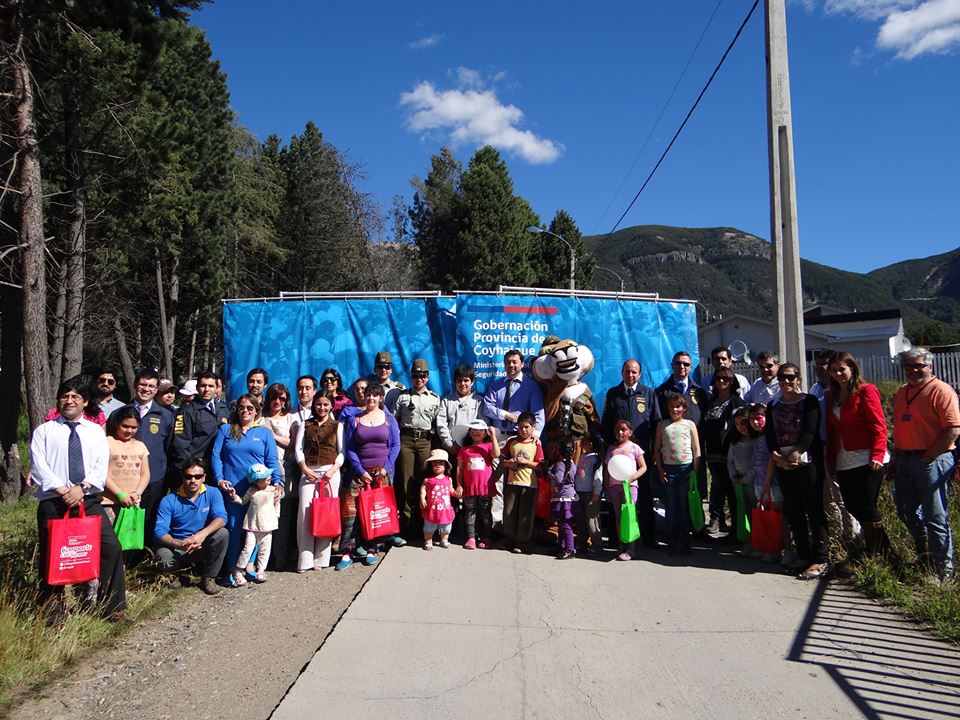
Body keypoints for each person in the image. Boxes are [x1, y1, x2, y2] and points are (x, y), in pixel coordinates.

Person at [31, 378, 125, 624]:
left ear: (85, 402)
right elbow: (39, 466)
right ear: (58, 401)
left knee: (111, 548)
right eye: (65, 396)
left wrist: (81, 489)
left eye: (75, 397)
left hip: (87, 500)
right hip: (54, 501)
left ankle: (111, 607)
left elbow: (100, 466)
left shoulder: (94, 432)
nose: (69, 401)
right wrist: (63, 490)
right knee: (52, 557)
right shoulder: (44, 431)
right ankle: (53, 615)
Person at [891, 348, 959, 581]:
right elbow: (900, 427)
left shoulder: (942, 391)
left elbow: (952, 429)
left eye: (918, 365)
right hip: (905, 459)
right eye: (908, 366)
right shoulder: (902, 392)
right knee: (905, 511)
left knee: (935, 516)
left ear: (930, 366)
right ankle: (925, 555)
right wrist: (897, 458)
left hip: (933, 460)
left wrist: (929, 457)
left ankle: (943, 571)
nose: (913, 370)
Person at [763, 362, 828, 580]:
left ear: (798, 379)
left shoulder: (809, 401)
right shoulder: (773, 405)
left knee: (813, 508)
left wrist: (797, 452)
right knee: (793, 509)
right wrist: (777, 457)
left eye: (791, 377)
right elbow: (770, 435)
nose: (786, 381)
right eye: (782, 377)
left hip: (807, 463)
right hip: (783, 464)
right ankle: (802, 554)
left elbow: (810, 429)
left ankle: (820, 558)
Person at [825, 351, 891, 558]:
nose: (838, 374)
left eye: (842, 369)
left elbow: (878, 425)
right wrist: (831, 460)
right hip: (844, 459)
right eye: (834, 370)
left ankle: (876, 554)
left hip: (867, 457)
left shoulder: (866, 391)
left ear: (852, 369)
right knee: (852, 505)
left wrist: (878, 454)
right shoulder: (831, 395)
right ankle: (884, 549)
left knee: (867, 506)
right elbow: (832, 430)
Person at [210, 394, 282, 583]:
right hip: (232, 489)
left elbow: (272, 460)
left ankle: (249, 566)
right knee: (233, 529)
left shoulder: (264, 433)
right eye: (242, 407)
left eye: (250, 408)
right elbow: (216, 456)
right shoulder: (226, 430)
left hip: (258, 491)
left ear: (257, 411)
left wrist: (277, 483)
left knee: (256, 529)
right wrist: (219, 479)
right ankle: (231, 568)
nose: (245, 411)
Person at [337, 383, 403, 570]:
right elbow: (350, 449)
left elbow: (395, 446)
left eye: (375, 395)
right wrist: (360, 471)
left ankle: (372, 549)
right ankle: (347, 552)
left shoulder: (389, 419)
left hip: (381, 475)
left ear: (381, 398)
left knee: (377, 513)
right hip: (359, 474)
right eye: (368, 395)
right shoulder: (355, 419)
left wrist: (386, 468)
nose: (371, 398)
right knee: (350, 513)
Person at [601, 358, 660, 549]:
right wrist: (610, 450)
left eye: (634, 372)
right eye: (627, 371)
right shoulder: (613, 394)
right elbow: (607, 424)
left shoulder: (648, 393)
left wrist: (655, 451)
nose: (631, 375)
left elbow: (656, 423)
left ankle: (648, 537)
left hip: (640, 455)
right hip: (618, 457)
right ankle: (616, 537)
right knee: (617, 497)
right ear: (622, 373)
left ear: (640, 374)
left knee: (644, 496)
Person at [153, 459, 228, 595]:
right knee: (162, 555)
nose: (193, 480)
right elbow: (159, 531)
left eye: (197, 476)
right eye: (188, 476)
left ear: (204, 477)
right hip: (177, 546)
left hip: (201, 545)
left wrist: (201, 535)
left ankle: (209, 577)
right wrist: (176, 543)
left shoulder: (213, 493)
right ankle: (174, 575)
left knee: (222, 534)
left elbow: (221, 518)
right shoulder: (169, 500)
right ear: (183, 477)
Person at [296, 392, 344, 571]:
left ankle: (322, 559)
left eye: (325, 404)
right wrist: (304, 468)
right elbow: (298, 449)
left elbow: (342, 451)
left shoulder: (337, 425)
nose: (322, 408)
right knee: (305, 514)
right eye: (318, 404)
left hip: (330, 473)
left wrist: (332, 470)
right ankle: (305, 560)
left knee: (326, 513)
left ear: (331, 406)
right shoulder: (305, 424)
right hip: (308, 473)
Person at [394, 358, 441, 537]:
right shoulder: (403, 397)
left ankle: (425, 522)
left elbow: (438, 424)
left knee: (424, 481)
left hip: (425, 441)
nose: (418, 379)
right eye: (415, 376)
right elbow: (393, 420)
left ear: (427, 377)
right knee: (405, 482)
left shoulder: (435, 398)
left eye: (422, 376)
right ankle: (407, 523)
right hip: (406, 440)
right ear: (411, 377)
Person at [653, 393, 701, 556]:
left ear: (684, 408)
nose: (675, 410)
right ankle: (672, 543)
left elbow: (697, 449)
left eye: (678, 407)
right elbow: (657, 448)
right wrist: (660, 469)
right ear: (668, 409)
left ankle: (686, 543)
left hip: (685, 470)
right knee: (671, 508)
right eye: (672, 407)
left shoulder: (689, 424)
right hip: (669, 471)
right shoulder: (662, 425)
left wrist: (695, 471)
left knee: (684, 508)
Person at [700, 367, 744, 536]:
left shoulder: (736, 402)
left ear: (732, 382)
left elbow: (741, 429)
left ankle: (737, 530)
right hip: (712, 454)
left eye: (726, 378)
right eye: (718, 378)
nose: (721, 381)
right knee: (717, 487)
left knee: (732, 491)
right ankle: (717, 520)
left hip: (730, 455)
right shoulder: (710, 402)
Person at [262, 382, 296, 569]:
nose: (277, 401)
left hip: (286, 471)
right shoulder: (261, 418)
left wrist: (272, 436)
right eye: (273, 397)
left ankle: (280, 558)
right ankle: (264, 560)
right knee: (263, 516)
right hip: (263, 474)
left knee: (284, 517)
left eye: (281, 398)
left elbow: (293, 443)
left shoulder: (291, 418)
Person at [228, 464, 280, 585]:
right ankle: (238, 571)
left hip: (268, 525)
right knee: (247, 548)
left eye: (268, 474)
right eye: (264, 476)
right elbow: (243, 501)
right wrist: (235, 497)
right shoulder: (252, 491)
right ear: (256, 480)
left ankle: (261, 571)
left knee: (265, 549)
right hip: (252, 525)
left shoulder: (273, 490)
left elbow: (277, 505)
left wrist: (276, 518)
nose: (268, 477)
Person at [500, 411, 544, 554]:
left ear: (533, 427)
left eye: (526, 427)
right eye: (520, 427)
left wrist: (526, 461)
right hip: (512, 483)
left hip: (529, 484)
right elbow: (503, 461)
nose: (523, 430)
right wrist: (510, 463)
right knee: (509, 513)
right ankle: (508, 540)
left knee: (526, 515)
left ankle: (522, 542)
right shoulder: (511, 442)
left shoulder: (536, 444)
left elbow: (540, 465)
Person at [606, 419, 649, 561]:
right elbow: (607, 470)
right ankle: (621, 545)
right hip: (614, 487)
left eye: (624, 430)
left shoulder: (634, 447)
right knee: (618, 517)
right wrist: (607, 488)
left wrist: (632, 478)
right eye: (617, 430)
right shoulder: (611, 449)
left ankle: (631, 548)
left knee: (629, 516)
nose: (620, 432)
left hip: (630, 487)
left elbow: (643, 467)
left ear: (630, 432)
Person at [171, 371, 230, 471]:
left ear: (216, 388)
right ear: (197, 388)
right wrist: (188, 469)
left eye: (211, 386)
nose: (207, 389)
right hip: (196, 468)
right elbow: (180, 445)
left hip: (219, 467)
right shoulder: (187, 412)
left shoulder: (224, 409)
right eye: (203, 386)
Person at [102, 407, 150, 524]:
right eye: (125, 426)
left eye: (134, 427)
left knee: (129, 535)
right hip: (109, 502)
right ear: (116, 424)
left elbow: (145, 473)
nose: (129, 431)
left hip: (132, 502)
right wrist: (120, 494)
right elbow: (102, 473)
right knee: (109, 534)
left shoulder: (140, 446)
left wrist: (137, 493)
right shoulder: (106, 442)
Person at [456, 420, 499, 549]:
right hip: (469, 487)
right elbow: (459, 469)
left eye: (480, 430)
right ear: (469, 432)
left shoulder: (488, 446)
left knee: (485, 513)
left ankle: (486, 537)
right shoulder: (464, 450)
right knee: (470, 512)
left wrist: (493, 436)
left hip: (485, 487)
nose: (477, 432)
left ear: (485, 433)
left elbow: (496, 454)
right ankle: (471, 537)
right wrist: (459, 485)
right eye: (474, 429)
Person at [482, 349, 545, 436]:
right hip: (497, 437)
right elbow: (487, 408)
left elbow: (538, 413)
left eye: (514, 362)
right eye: (508, 362)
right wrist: (505, 414)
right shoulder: (495, 385)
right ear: (504, 365)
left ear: (522, 364)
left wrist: (534, 435)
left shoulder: (532, 386)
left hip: (521, 437)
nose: (511, 365)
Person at [437, 364, 484, 462]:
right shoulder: (447, 400)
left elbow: (483, 424)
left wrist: (475, 443)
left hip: (473, 449)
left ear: (472, 382)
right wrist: (448, 443)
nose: (462, 384)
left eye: (466, 380)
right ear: (455, 382)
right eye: (459, 380)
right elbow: (441, 423)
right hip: (452, 449)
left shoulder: (479, 401)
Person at [420, 449, 457, 550]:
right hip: (432, 509)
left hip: (445, 509)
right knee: (429, 526)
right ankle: (428, 540)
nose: (437, 465)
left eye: (441, 462)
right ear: (431, 465)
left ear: (445, 465)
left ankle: (444, 540)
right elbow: (423, 490)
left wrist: (456, 493)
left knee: (446, 526)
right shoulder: (428, 480)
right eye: (435, 462)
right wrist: (422, 498)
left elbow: (451, 490)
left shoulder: (448, 479)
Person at [549, 439, 579, 560]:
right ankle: (561, 547)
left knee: (565, 524)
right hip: (570, 497)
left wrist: (549, 472)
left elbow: (558, 478)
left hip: (563, 498)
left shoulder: (560, 464)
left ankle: (569, 550)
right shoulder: (572, 464)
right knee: (562, 523)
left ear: (559, 451)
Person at [574, 435, 604, 555]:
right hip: (580, 492)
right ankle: (582, 543)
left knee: (592, 520)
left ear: (590, 444)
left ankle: (597, 545)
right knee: (580, 520)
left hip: (591, 493)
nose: (581, 442)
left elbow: (598, 477)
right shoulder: (582, 456)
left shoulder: (595, 458)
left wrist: (596, 492)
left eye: (584, 441)